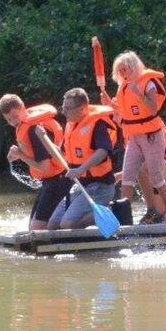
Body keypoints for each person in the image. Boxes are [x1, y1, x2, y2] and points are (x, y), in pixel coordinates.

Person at [101, 51, 166, 222]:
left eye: (125, 70)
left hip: (152, 136)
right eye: (119, 71)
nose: (122, 74)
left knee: (156, 177)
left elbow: (152, 109)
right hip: (134, 137)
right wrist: (110, 104)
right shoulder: (123, 87)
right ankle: (123, 218)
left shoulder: (147, 83)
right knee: (127, 177)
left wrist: (139, 94)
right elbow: (125, 112)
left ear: (133, 67)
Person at [0, 94, 72, 231]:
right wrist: (18, 153)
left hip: (59, 181)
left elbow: (44, 167)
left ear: (23, 109)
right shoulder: (23, 126)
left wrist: (20, 155)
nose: (13, 122)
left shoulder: (34, 130)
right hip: (49, 181)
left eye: (14, 116)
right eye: (8, 119)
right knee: (31, 227)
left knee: (35, 229)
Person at [48, 88, 117, 230]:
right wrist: (44, 140)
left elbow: (103, 151)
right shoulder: (71, 125)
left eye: (67, 108)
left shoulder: (98, 124)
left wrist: (81, 169)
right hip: (80, 185)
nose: (64, 111)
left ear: (82, 109)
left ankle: (111, 212)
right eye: (63, 107)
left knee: (67, 224)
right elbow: (60, 153)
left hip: (100, 186)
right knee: (53, 225)